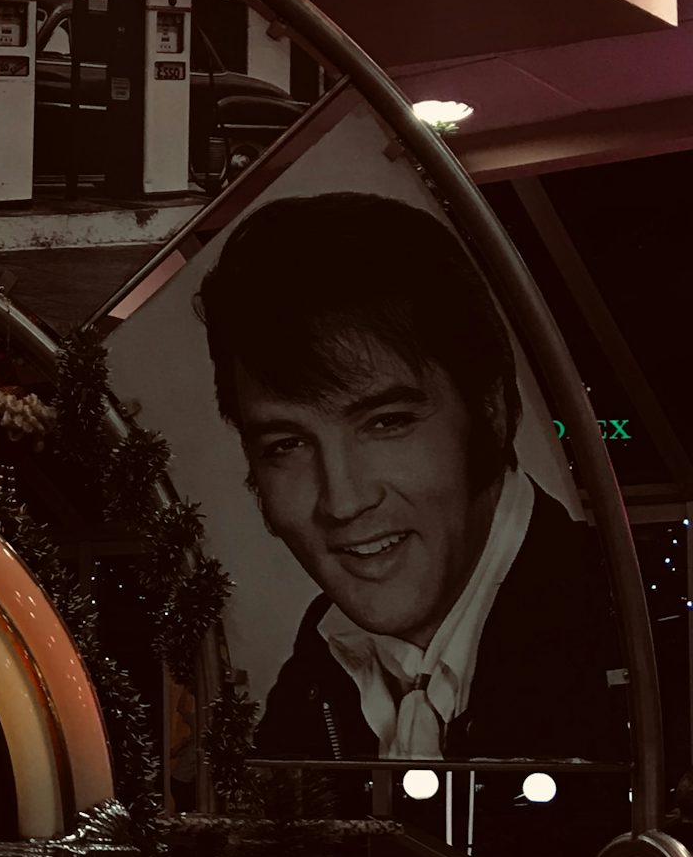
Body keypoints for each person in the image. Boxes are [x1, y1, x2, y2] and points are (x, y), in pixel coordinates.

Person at [195, 191, 627, 764]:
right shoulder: (320, 659)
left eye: (387, 422)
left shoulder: (639, 637)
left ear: (491, 410)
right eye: (287, 445)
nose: (343, 501)